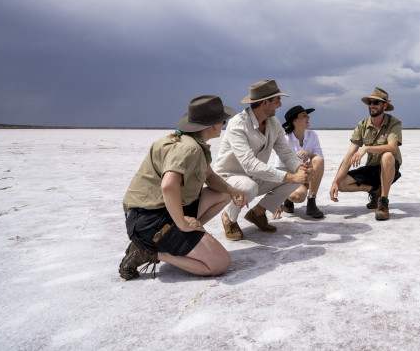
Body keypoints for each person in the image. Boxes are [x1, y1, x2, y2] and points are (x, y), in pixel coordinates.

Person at [119, 95, 247, 280]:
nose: (223, 126)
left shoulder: (190, 143)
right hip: (150, 221)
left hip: (155, 212)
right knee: (219, 263)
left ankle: (183, 240)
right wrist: (182, 223)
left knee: (221, 194)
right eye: (223, 121)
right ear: (211, 125)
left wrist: (231, 190)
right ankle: (150, 251)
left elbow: (209, 176)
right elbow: (169, 186)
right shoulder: (189, 149)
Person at [214, 79, 313, 240]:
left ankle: (258, 213)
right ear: (265, 102)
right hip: (229, 180)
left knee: (294, 176)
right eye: (278, 100)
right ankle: (229, 218)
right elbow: (249, 164)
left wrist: (300, 169)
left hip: (255, 176)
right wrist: (290, 176)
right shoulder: (238, 124)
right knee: (249, 187)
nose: (280, 104)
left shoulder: (273, 124)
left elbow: (286, 154)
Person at [330, 87, 402, 221]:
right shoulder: (362, 125)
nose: (372, 105)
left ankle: (383, 202)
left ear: (384, 105)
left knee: (387, 155)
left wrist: (366, 148)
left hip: (390, 167)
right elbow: (349, 155)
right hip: (372, 168)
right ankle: (375, 190)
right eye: (370, 102)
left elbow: (392, 148)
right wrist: (335, 181)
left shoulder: (394, 122)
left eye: (376, 102)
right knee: (341, 183)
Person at [276, 105, 325, 218]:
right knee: (299, 196)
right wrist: (277, 199)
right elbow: (279, 169)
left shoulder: (312, 135)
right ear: (295, 121)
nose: (308, 117)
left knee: (318, 159)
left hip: (306, 175)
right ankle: (287, 199)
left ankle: (312, 202)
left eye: (307, 115)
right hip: (290, 178)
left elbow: (319, 158)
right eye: (304, 115)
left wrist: (307, 153)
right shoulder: (285, 139)